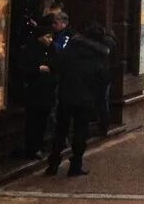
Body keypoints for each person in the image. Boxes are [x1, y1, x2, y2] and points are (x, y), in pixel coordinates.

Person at [48, 16, 111, 177]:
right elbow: (103, 79)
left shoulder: (70, 48)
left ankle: (53, 164)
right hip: (86, 98)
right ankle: (75, 165)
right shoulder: (99, 54)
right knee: (80, 131)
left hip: (66, 95)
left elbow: (57, 66)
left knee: (61, 130)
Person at [15, 21, 57, 160]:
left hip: (47, 92)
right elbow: (21, 70)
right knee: (33, 121)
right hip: (34, 92)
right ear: (40, 37)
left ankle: (39, 145)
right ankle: (32, 148)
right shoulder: (29, 50)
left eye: (51, 37)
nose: (50, 40)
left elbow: (58, 66)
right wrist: (37, 69)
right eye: (47, 37)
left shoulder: (52, 50)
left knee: (42, 121)